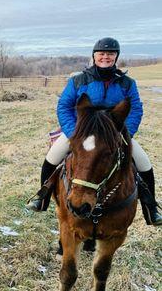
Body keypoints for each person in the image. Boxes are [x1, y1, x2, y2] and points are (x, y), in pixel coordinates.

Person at [26, 37, 161, 225]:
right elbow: (64, 106)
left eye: (110, 53)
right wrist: (76, 133)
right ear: (94, 56)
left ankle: (151, 209)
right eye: (102, 53)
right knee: (52, 157)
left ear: (116, 57)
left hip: (114, 133)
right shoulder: (78, 80)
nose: (105, 57)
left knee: (144, 163)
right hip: (81, 131)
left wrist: (123, 133)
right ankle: (42, 197)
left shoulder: (127, 83)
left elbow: (136, 109)